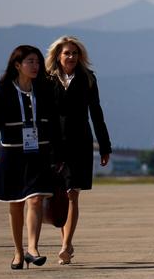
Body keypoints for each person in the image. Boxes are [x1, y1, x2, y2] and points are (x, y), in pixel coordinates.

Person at [0, 45, 62, 269]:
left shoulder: (45, 89)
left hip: (39, 152)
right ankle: (18, 253)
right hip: (12, 154)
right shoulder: (3, 91)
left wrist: (58, 154)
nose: (36, 66)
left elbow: (54, 123)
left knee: (36, 199)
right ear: (17, 65)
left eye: (37, 62)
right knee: (16, 204)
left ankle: (33, 248)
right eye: (30, 62)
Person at [47, 35, 111, 265]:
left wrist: (105, 146)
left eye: (75, 53)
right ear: (58, 55)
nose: (71, 57)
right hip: (54, 143)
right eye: (67, 53)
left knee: (73, 192)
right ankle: (66, 239)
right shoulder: (46, 80)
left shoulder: (88, 78)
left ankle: (66, 244)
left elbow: (96, 113)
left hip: (80, 141)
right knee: (59, 194)